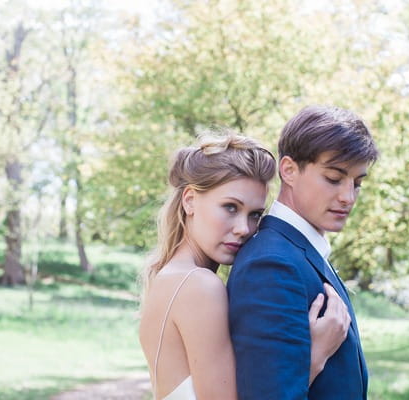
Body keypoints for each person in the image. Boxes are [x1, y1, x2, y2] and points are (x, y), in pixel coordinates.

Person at [139, 132, 352, 400]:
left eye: (254, 215)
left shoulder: (168, 277)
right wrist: (315, 356)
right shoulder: (199, 285)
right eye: (230, 207)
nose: (244, 229)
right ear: (190, 200)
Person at [228, 105, 379, 400]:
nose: (348, 197)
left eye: (357, 183)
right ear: (289, 170)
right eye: (334, 178)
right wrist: (316, 356)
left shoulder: (301, 253)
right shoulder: (272, 265)